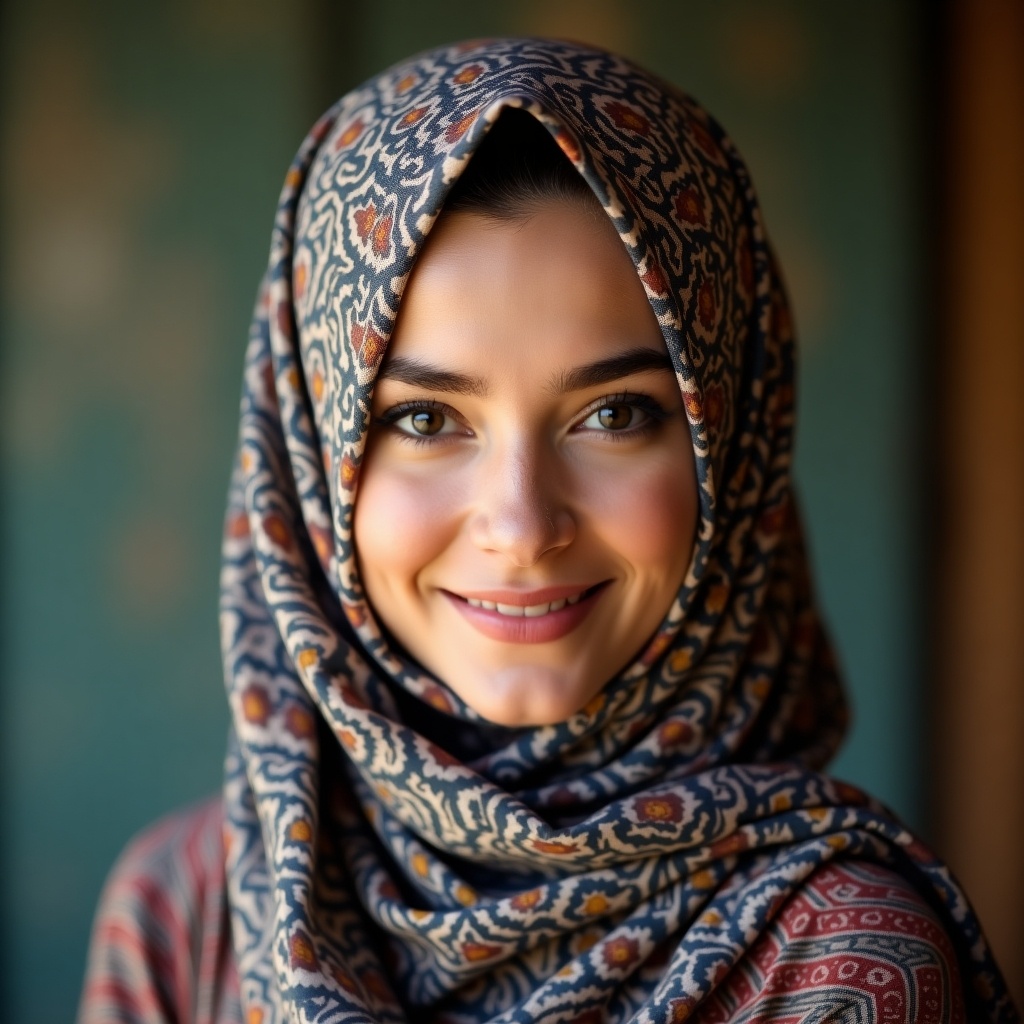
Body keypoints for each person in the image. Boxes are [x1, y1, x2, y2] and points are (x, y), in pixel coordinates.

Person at [78, 37, 1018, 1024]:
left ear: (730, 444)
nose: (522, 526)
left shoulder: (835, 962)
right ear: (312, 458)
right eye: (426, 420)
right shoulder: (186, 915)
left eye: (613, 414)